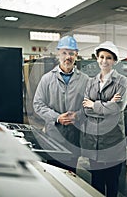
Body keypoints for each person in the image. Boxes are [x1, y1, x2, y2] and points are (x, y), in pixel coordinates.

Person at [33, 35, 89, 173]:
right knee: (54, 175)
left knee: (71, 176)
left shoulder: (85, 80)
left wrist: (77, 116)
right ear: (59, 54)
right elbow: (38, 104)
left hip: (74, 138)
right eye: (64, 53)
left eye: (71, 53)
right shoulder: (47, 79)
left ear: (76, 55)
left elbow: (89, 107)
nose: (67, 57)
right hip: (53, 138)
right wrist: (57, 117)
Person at [81, 41, 127, 197]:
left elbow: (118, 108)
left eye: (108, 57)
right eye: (101, 57)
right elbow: (85, 109)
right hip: (93, 141)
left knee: (112, 182)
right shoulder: (90, 82)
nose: (104, 60)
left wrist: (94, 104)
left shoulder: (121, 81)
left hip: (112, 140)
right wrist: (107, 105)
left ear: (114, 61)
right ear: (97, 58)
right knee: (96, 182)